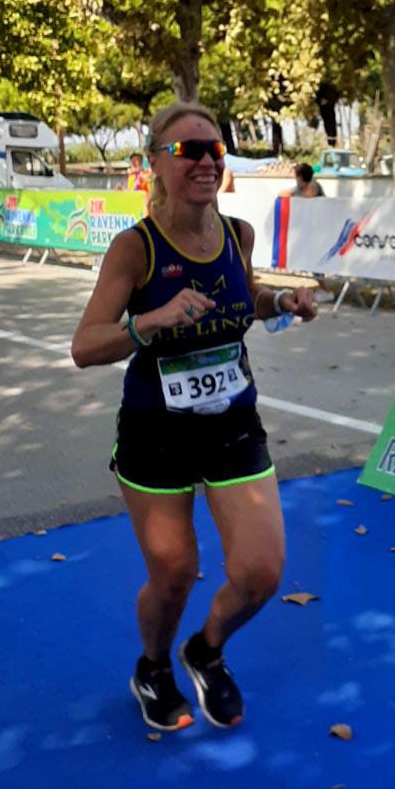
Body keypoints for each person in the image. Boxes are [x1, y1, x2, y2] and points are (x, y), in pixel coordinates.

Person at [71, 101, 318, 733]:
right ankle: (153, 667)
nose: (206, 161)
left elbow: (246, 295)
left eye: (215, 150)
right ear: (156, 163)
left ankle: (205, 650)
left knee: (261, 573)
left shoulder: (238, 235)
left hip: (232, 423)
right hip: (156, 433)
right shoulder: (136, 249)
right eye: (189, 151)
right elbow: (85, 345)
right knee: (175, 572)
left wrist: (280, 301)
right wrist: (150, 321)